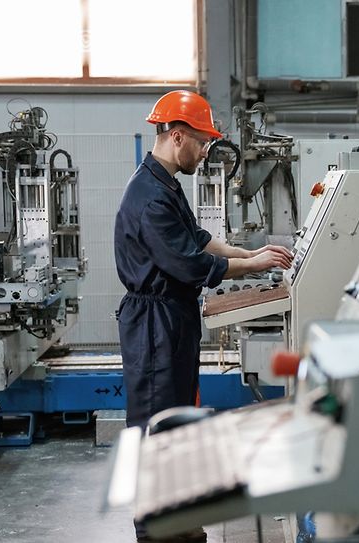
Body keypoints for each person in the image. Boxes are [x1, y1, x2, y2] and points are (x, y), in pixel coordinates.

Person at [114, 90, 292, 543]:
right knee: (157, 423)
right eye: (201, 142)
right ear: (176, 136)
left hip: (170, 318)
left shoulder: (164, 183)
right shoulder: (151, 196)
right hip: (155, 324)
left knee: (174, 417)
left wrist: (248, 252)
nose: (205, 151)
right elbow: (191, 263)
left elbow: (198, 238)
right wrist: (253, 267)